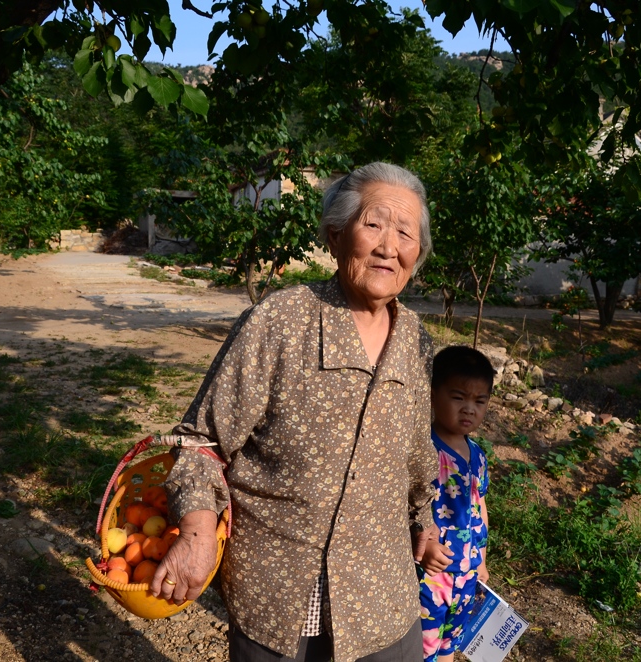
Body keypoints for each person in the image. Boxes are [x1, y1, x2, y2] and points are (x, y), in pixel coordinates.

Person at [150, 162, 441, 662]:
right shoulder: (282, 320)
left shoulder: (416, 340)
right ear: (335, 237)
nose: (390, 246)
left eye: (406, 233)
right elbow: (201, 442)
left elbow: (416, 456)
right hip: (280, 596)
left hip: (383, 600)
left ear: (418, 253)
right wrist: (197, 532)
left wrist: (425, 520)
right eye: (373, 224)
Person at [417, 346, 494, 662]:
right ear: (432, 394)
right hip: (429, 578)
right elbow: (408, 506)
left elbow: (480, 506)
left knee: (449, 645)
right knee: (422, 650)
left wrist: (484, 560)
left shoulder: (477, 455)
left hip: (466, 576)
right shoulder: (423, 451)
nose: (469, 409)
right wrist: (425, 546)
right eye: (458, 397)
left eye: (479, 401)